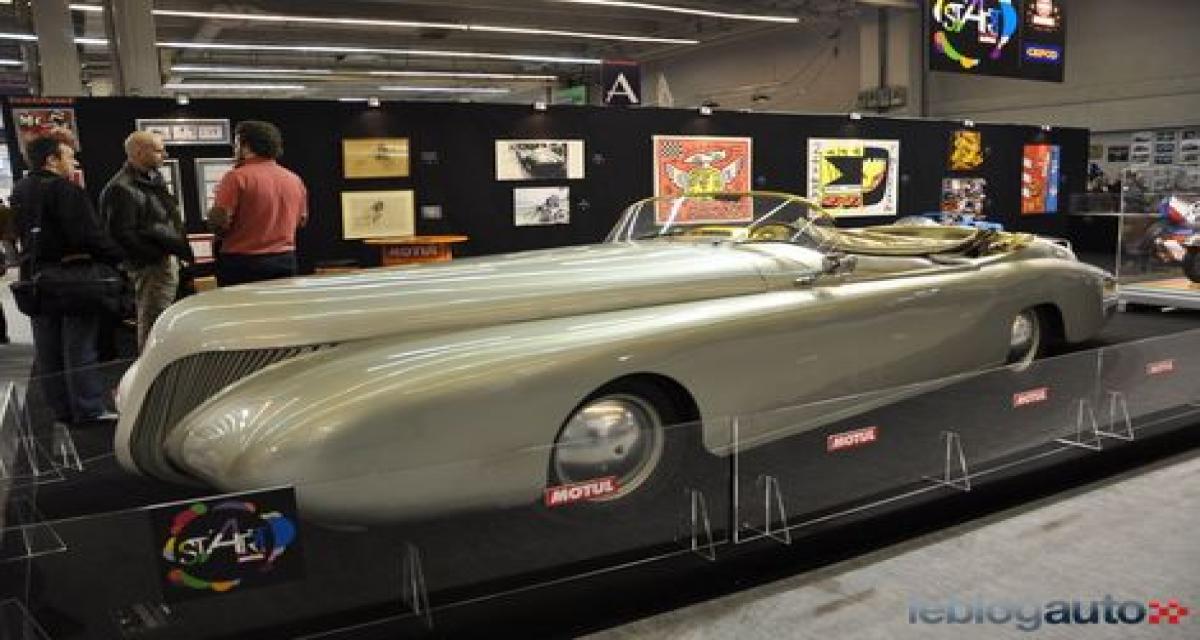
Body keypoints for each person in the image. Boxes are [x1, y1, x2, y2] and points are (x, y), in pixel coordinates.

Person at [11, 134, 124, 426]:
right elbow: (87, 235)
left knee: (48, 348)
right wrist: (118, 256)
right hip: (72, 280)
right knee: (79, 346)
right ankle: (88, 408)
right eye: (69, 156)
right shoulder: (66, 190)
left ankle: (61, 408)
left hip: (35, 277)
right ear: (52, 159)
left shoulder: (21, 189)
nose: (74, 162)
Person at [100, 131, 193, 350]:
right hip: (151, 267)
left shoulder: (149, 180)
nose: (165, 155)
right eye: (159, 150)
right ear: (139, 152)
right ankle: (151, 366)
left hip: (163, 262)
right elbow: (121, 234)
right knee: (153, 322)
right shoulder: (121, 187)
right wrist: (156, 256)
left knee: (164, 320)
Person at [205, 120, 308, 286]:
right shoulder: (294, 179)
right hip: (285, 259)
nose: (234, 149)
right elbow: (301, 221)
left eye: (236, 144)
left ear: (245, 146)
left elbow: (218, 222)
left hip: (242, 263)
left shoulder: (236, 177)